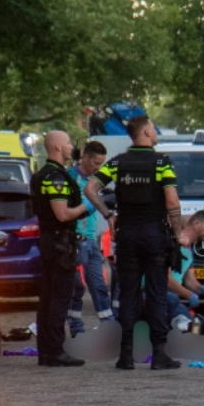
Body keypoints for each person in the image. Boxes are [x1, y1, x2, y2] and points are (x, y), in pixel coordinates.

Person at [84, 115, 182, 371]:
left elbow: (90, 189)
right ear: (147, 132)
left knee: (127, 294)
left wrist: (109, 215)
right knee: (157, 293)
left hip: (126, 235)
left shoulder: (118, 163)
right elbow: (171, 201)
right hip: (154, 235)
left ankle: (125, 355)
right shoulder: (161, 163)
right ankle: (159, 354)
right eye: (154, 128)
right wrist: (178, 233)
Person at [30, 131, 90, 367]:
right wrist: (85, 206)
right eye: (67, 142)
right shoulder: (55, 178)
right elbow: (62, 213)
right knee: (59, 298)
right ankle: (55, 350)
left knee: (47, 297)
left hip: (51, 242)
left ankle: (46, 351)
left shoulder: (43, 175)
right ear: (57, 146)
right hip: (59, 243)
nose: (71, 146)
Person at [66, 141, 115, 336]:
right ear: (84, 156)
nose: (98, 167)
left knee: (99, 285)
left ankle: (109, 328)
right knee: (76, 287)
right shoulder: (70, 178)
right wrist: (96, 203)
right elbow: (70, 209)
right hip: (76, 240)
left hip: (91, 240)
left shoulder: (94, 179)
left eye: (101, 163)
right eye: (95, 162)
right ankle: (76, 329)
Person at [166, 210, 204, 331]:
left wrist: (203, 290)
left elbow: (190, 281)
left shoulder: (189, 251)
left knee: (194, 326)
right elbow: (166, 280)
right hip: (160, 295)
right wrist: (189, 295)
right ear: (196, 224)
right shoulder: (172, 243)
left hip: (172, 297)